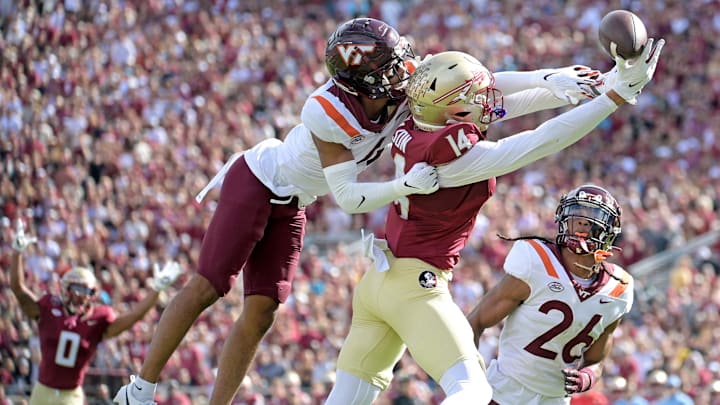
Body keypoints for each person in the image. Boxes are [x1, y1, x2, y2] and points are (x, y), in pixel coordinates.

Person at [113, 17, 609, 405]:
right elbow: (349, 198)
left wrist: (552, 80)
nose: (405, 72)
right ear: (360, 80)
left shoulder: (401, 85)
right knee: (209, 287)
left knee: (262, 311)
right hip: (260, 181)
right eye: (389, 68)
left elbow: (475, 89)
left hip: (297, 201)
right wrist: (403, 186)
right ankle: (141, 388)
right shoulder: (327, 111)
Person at [325, 38, 664, 405]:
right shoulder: (453, 159)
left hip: (379, 278)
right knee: (472, 391)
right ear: (454, 112)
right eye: (476, 97)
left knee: (347, 398)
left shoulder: (418, 119)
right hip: (414, 285)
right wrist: (612, 98)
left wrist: (590, 83)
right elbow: (540, 140)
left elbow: (502, 101)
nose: (488, 100)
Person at [467, 184, 636, 404]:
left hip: (555, 399)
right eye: (578, 213)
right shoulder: (536, 262)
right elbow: (476, 321)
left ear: (610, 231)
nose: (584, 222)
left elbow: (596, 359)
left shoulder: (618, 289)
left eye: (594, 215)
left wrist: (588, 376)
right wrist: (468, 379)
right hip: (505, 391)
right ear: (564, 217)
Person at [8, 219, 183, 405]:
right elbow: (18, 289)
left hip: (71, 395)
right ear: (65, 289)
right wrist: (17, 253)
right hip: (42, 390)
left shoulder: (98, 318)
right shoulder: (49, 308)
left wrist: (155, 291)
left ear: (92, 295)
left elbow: (132, 318)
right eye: (76, 290)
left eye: (85, 292)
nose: (79, 297)